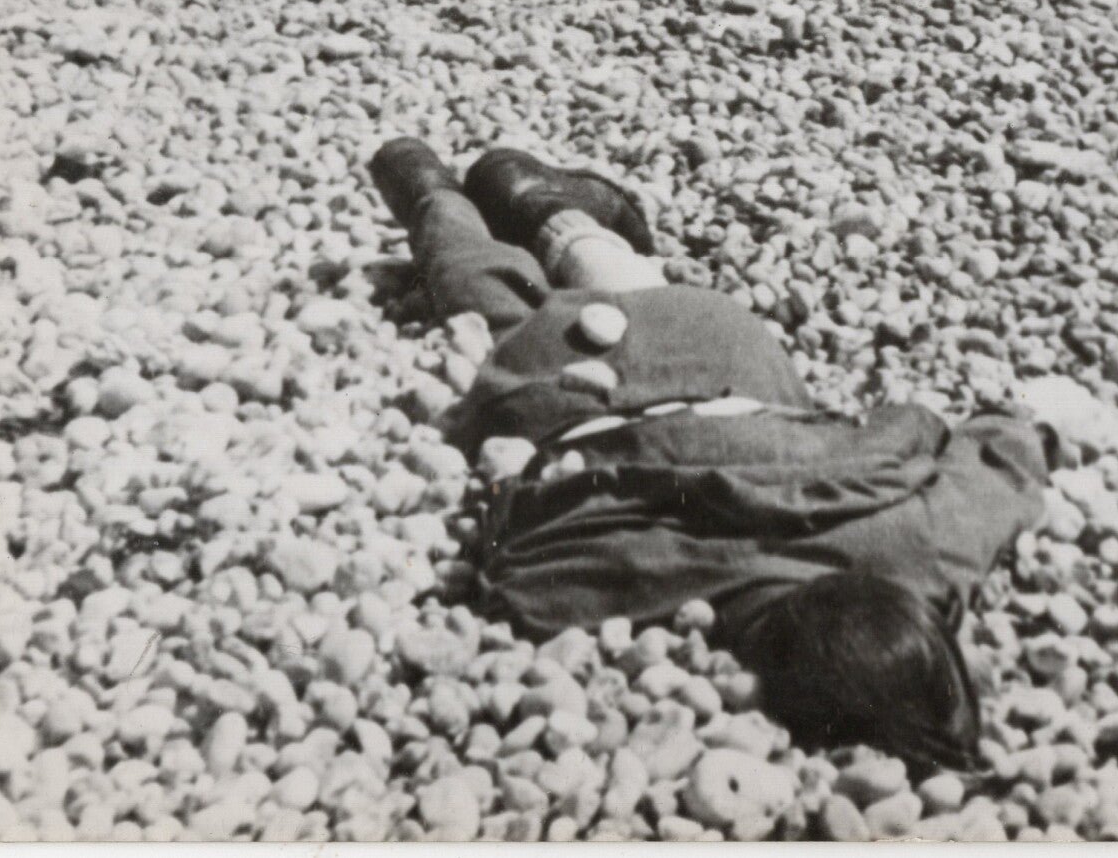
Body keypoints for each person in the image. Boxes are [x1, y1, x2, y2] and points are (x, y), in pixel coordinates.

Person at [370, 137, 1054, 776]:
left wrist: (1013, 434)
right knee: (501, 313)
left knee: (640, 291)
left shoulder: (925, 550)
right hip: (568, 394)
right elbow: (516, 557)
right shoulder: (625, 592)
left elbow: (1002, 451)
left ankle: (546, 212)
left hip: (721, 355)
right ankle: (433, 197)